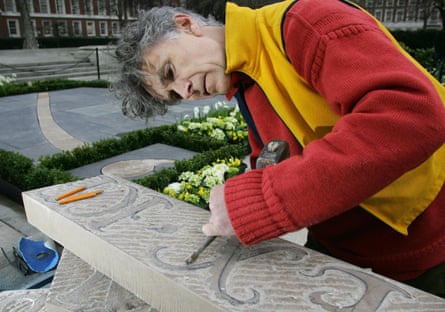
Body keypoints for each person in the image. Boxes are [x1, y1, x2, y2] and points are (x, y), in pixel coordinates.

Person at [112, 0, 445, 297]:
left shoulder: (308, 21)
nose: (185, 93)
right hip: (338, 243)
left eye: (170, 72)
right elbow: (277, 158)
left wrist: (258, 201)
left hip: (423, 238)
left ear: (187, 25)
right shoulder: (243, 79)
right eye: (173, 96)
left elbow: (410, 117)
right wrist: (244, 194)